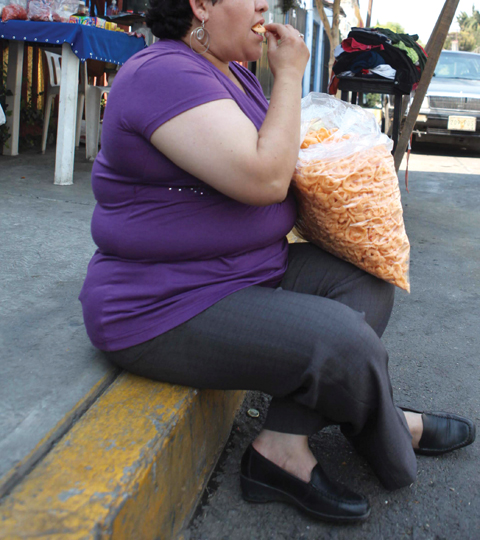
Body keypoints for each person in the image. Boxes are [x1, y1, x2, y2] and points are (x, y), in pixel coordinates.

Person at [79, 0, 476, 523]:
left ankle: (282, 445)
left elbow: (282, 149)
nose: (265, 5)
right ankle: (392, 428)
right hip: (165, 302)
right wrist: (288, 74)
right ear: (202, 5)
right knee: (344, 344)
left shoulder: (231, 72)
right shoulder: (162, 73)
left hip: (247, 269)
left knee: (369, 280)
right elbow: (265, 178)